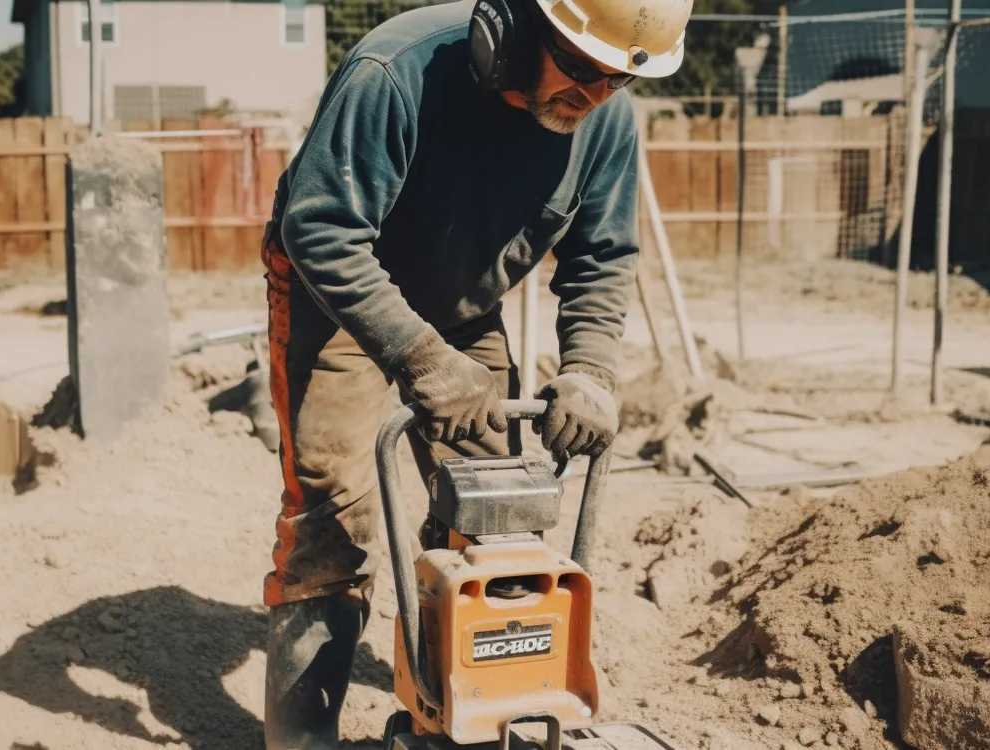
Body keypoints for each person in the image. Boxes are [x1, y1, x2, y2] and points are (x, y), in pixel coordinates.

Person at [257, 0, 690, 746]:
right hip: (338, 300)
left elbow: (602, 257)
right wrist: (420, 360)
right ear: (517, 32)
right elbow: (320, 227)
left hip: (461, 306)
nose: (592, 97)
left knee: (497, 510)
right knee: (335, 518)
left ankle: (459, 707)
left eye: (617, 81)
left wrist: (589, 369)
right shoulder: (395, 75)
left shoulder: (605, 119)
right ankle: (302, 738)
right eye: (583, 69)